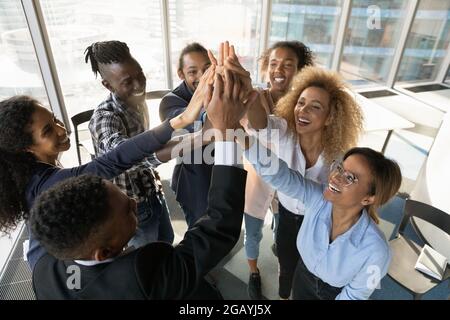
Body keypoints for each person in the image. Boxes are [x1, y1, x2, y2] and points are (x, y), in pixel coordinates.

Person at [30, 65, 258, 299]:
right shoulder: (142, 277)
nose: (134, 203)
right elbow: (218, 228)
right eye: (128, 210)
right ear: (104, 252)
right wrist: (227, 132)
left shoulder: (44, 269)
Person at [0, 92, 204, 269]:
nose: (61, 130)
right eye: (48, 131)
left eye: (55, 120)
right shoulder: (48, 182)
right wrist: (181, 120)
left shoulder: (35, 173)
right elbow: (113, 161)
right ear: (26, 147)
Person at [245, 65, 364, 299]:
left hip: (319, 220)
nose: (303, 110)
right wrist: (250, 97)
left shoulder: (340, 156)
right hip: (286, 216)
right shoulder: (285, 130)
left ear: (330, 117)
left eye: (315, 107)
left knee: (311, 270)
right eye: (300, 102)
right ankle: (284, 293)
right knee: (286, 262)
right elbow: (261, 125)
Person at [241, 137, 401, 299]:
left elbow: (354, 296)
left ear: (368, 199)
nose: (335, 177)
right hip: (302, 273)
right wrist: (243, 138)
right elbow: (282, 176)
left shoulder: (377, 252)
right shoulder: (318, 198)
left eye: (350, 177)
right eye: (339, 168)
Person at [85, 40, 180, 247]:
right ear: (108, 85)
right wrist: (189, 142)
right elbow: (128, 157)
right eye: (128, 82)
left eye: (141, 76)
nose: (139, 86)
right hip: (131, 207)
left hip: (151, 191)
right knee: (146, 261)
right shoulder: (105, 118)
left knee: (167, 242)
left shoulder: (136, 101)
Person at [241, 41, 314, 300]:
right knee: (253, 228)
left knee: (284, 226)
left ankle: (282, 255)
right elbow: (254, 126)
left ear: (300, 70)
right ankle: (252, 271)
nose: (279, 69)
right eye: (273, 63)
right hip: (258, 177)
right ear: (265, 67)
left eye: (288, 64)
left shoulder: (303, 102)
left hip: (288, 182)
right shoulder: (255, 98)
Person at [159, 43, 214, 228]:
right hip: (195, 181)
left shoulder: (219, 90)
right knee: (199, 233)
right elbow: (192, 120)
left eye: (207, 69)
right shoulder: (170, 102)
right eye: (193, 71)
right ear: (181, 74)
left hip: (222, 173)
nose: (202, 76)